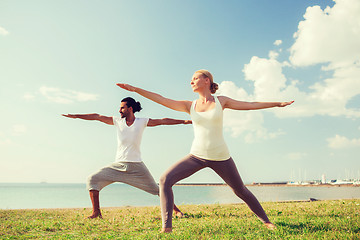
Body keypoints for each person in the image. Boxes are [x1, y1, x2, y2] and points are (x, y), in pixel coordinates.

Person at [117, 70, 294, 232]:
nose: (191, 81)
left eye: (195, 78)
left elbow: (250, 104)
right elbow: (162, 99)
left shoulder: (221, 101)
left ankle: (266, 221)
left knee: (240, 190)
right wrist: (135, 89)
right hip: (197, 156)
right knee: (164, 180)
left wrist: (277, 104)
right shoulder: (189, 105)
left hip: (221, 156)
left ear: (206, 80)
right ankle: (167, 228)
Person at [62, 97, 191, 219]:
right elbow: (97, 117)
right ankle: (96, 213)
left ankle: (176, 210)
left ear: (130, 108)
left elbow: (162, 121)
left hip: (137, 167)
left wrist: (184, 121)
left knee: (158, 190)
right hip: (118, 166)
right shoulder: (117, 121)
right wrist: (76, 116)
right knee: (92, 179)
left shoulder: (142, 122)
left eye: (122, 108)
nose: (119, 110)